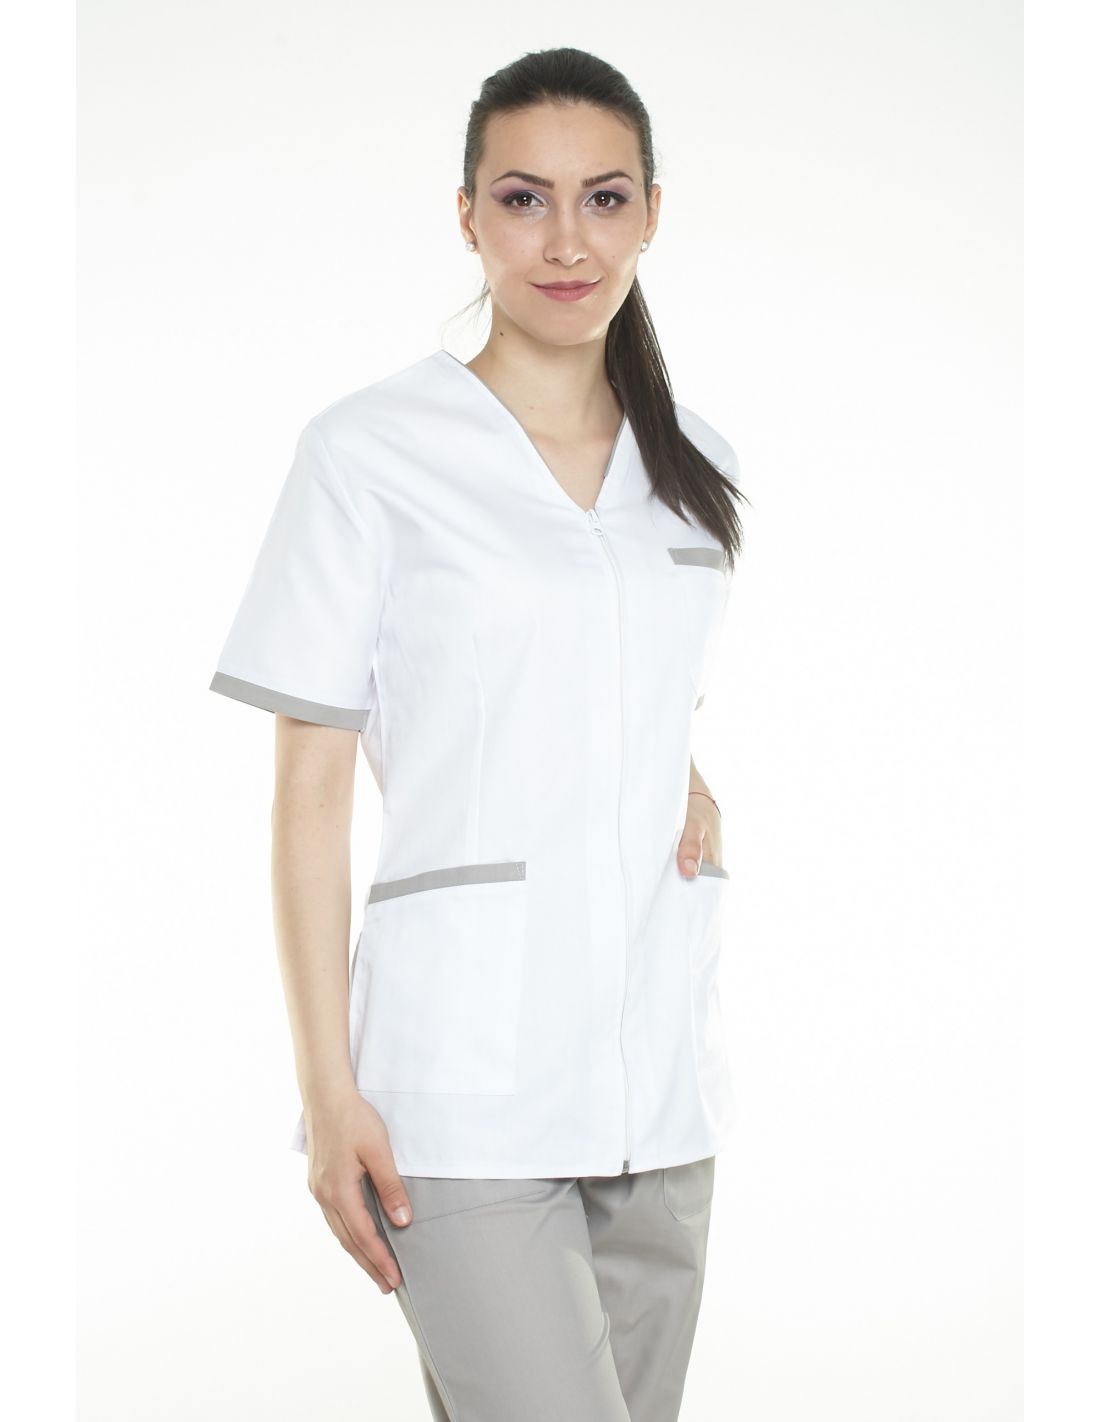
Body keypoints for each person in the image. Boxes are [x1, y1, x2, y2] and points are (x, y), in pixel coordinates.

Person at [209, 45, 747, 1422]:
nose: (567, 241)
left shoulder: (697, 466)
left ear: (652, 213)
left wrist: (685, 774)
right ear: (468, 215)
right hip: (459, 1089)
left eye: (604, 198)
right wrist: (327, 1093)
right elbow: (308, 794)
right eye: (523, 199)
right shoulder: (370, 453)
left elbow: (619, 682)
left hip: (660, 1089)